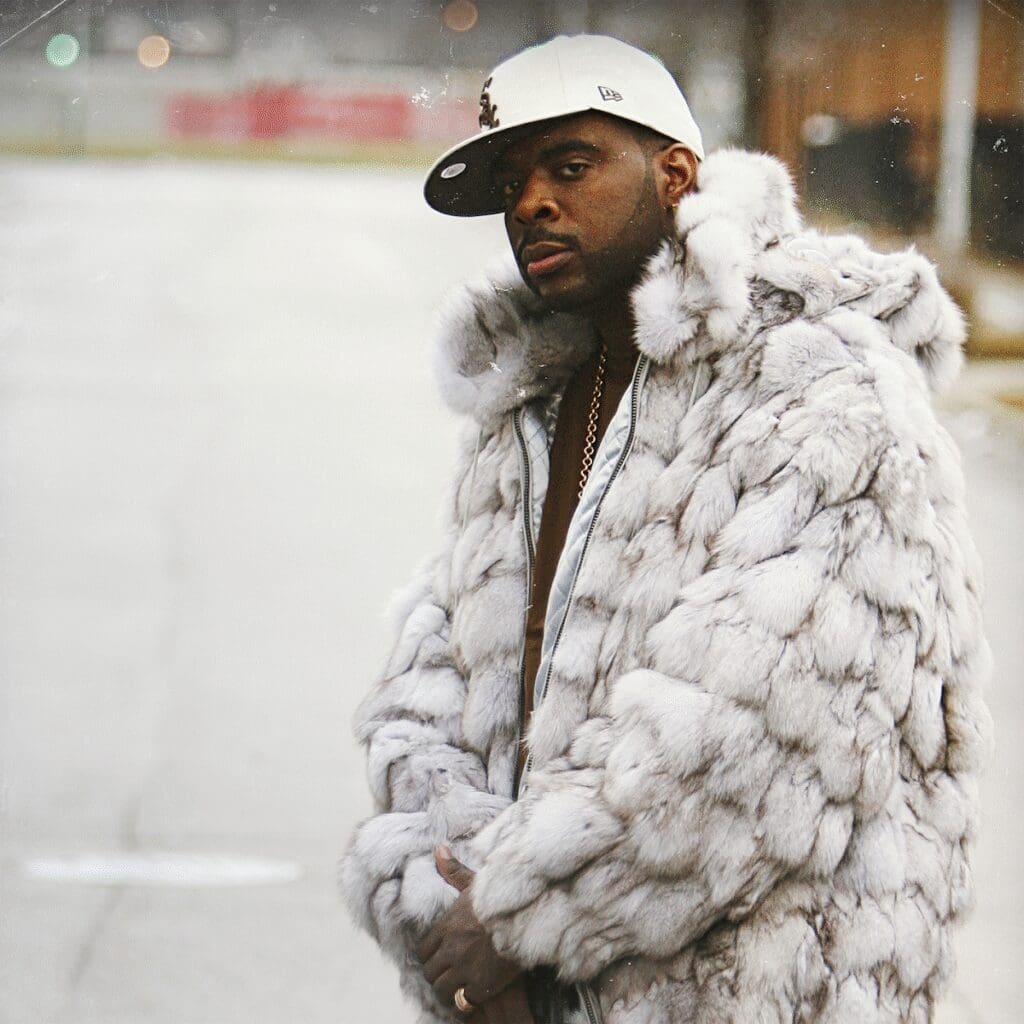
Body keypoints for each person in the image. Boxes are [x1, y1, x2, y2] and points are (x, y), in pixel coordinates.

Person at [342, 33, 991, 1024]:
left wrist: (512, 919)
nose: (530, 204)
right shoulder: (528, 403)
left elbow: (762, 736)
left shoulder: (823, 390)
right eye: (512, 184)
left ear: (675, 175)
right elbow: (430, 680)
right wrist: (444, 912)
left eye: (569, 166)